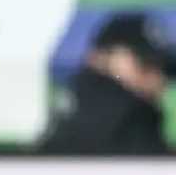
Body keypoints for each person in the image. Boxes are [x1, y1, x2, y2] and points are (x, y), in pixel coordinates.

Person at [40, 12, 175, 154]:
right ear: (100, 58)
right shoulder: (128, 118)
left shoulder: (71, 105)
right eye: (146, 64)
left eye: (166, 69)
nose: (158, 78)